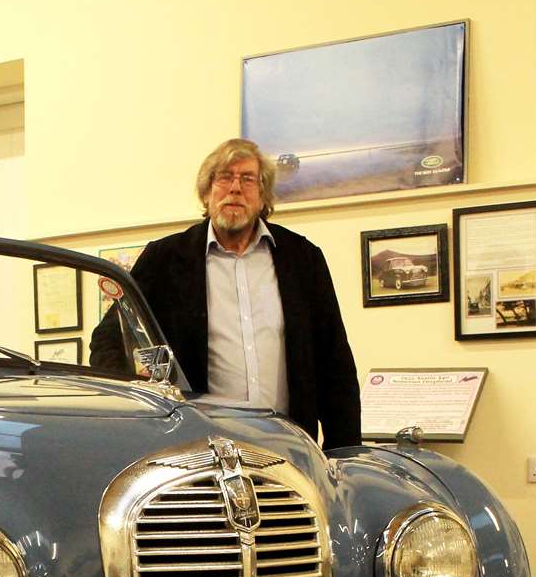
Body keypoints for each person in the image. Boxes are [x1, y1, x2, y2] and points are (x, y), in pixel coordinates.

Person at [89, 138, 361, 450]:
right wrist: (141, 404)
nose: (235, 188)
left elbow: (334, 362)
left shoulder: (303, 259)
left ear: (263, 196)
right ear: (207, 192)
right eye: (224, 177)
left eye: (248, 179)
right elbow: (108, 340)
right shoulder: (164, 259)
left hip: (289, 446)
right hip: (196, 449)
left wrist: (345, 454)